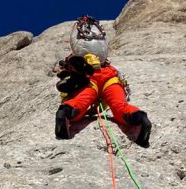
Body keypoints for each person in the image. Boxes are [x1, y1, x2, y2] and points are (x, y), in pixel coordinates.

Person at [53, 18, 152, 147]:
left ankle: (66, 113)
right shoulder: (102, 56)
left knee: (80, 102)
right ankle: (138, 118)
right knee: (119, 106)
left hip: (89, 78)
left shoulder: (72, 58)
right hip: (109, 76)